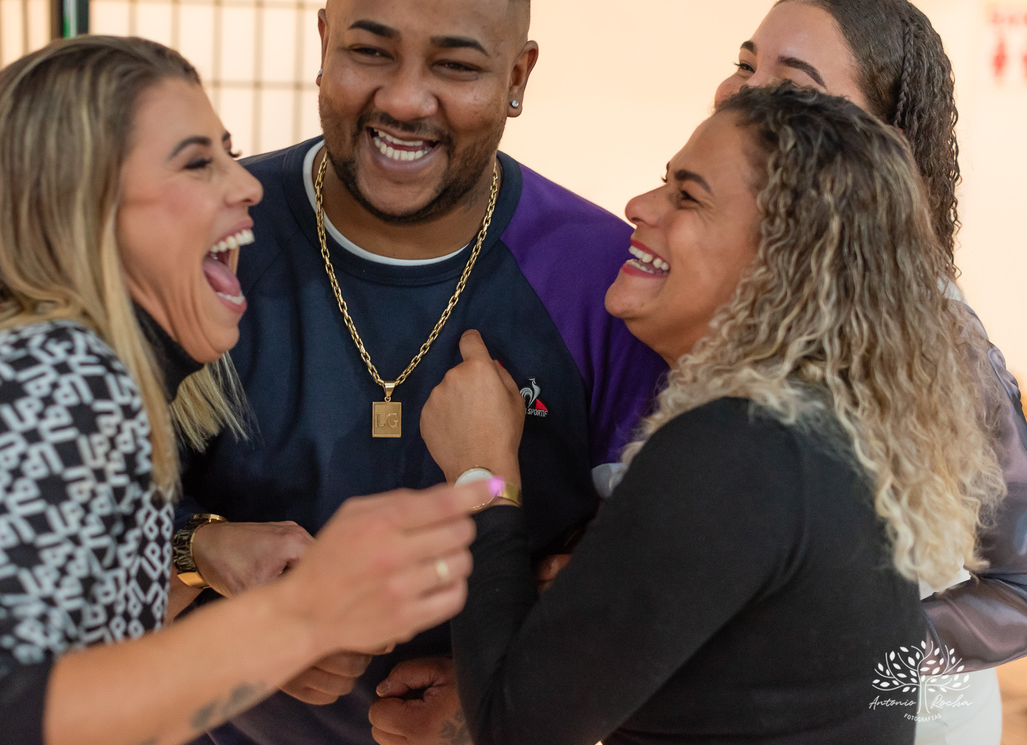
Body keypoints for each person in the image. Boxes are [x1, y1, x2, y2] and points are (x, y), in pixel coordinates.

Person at [0, 35, 501, 745]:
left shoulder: (82, 384)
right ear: (79, 207)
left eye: (230, 152)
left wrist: (202, 556)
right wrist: (305, 611)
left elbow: (71, 635)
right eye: (197, 163)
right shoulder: (54, 374)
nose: (246, 186)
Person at [177, 0, 667, 743]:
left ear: (518, 78)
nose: (404, 100)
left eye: (456, 66)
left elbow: (654, 577)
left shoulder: (606, 282)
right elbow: (93, 530)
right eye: (369, 52)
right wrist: (225, 598)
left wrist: (502, 687)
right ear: (323, 41)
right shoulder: (215, 241)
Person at [421, 84, 1007, 744]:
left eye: (687, 197)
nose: (639, 208)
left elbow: (515, 728)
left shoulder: (737, 448)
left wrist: (482, 472)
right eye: (662, 184)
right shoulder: (823, 432)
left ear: (781, 263)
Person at [716, 0, 1027, 743]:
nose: (743, 94)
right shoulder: (738, 288)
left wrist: (854, 653)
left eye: (791, 84)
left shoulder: (935, 330)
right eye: (745, 64)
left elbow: (1019, 589)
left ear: (880, 139)